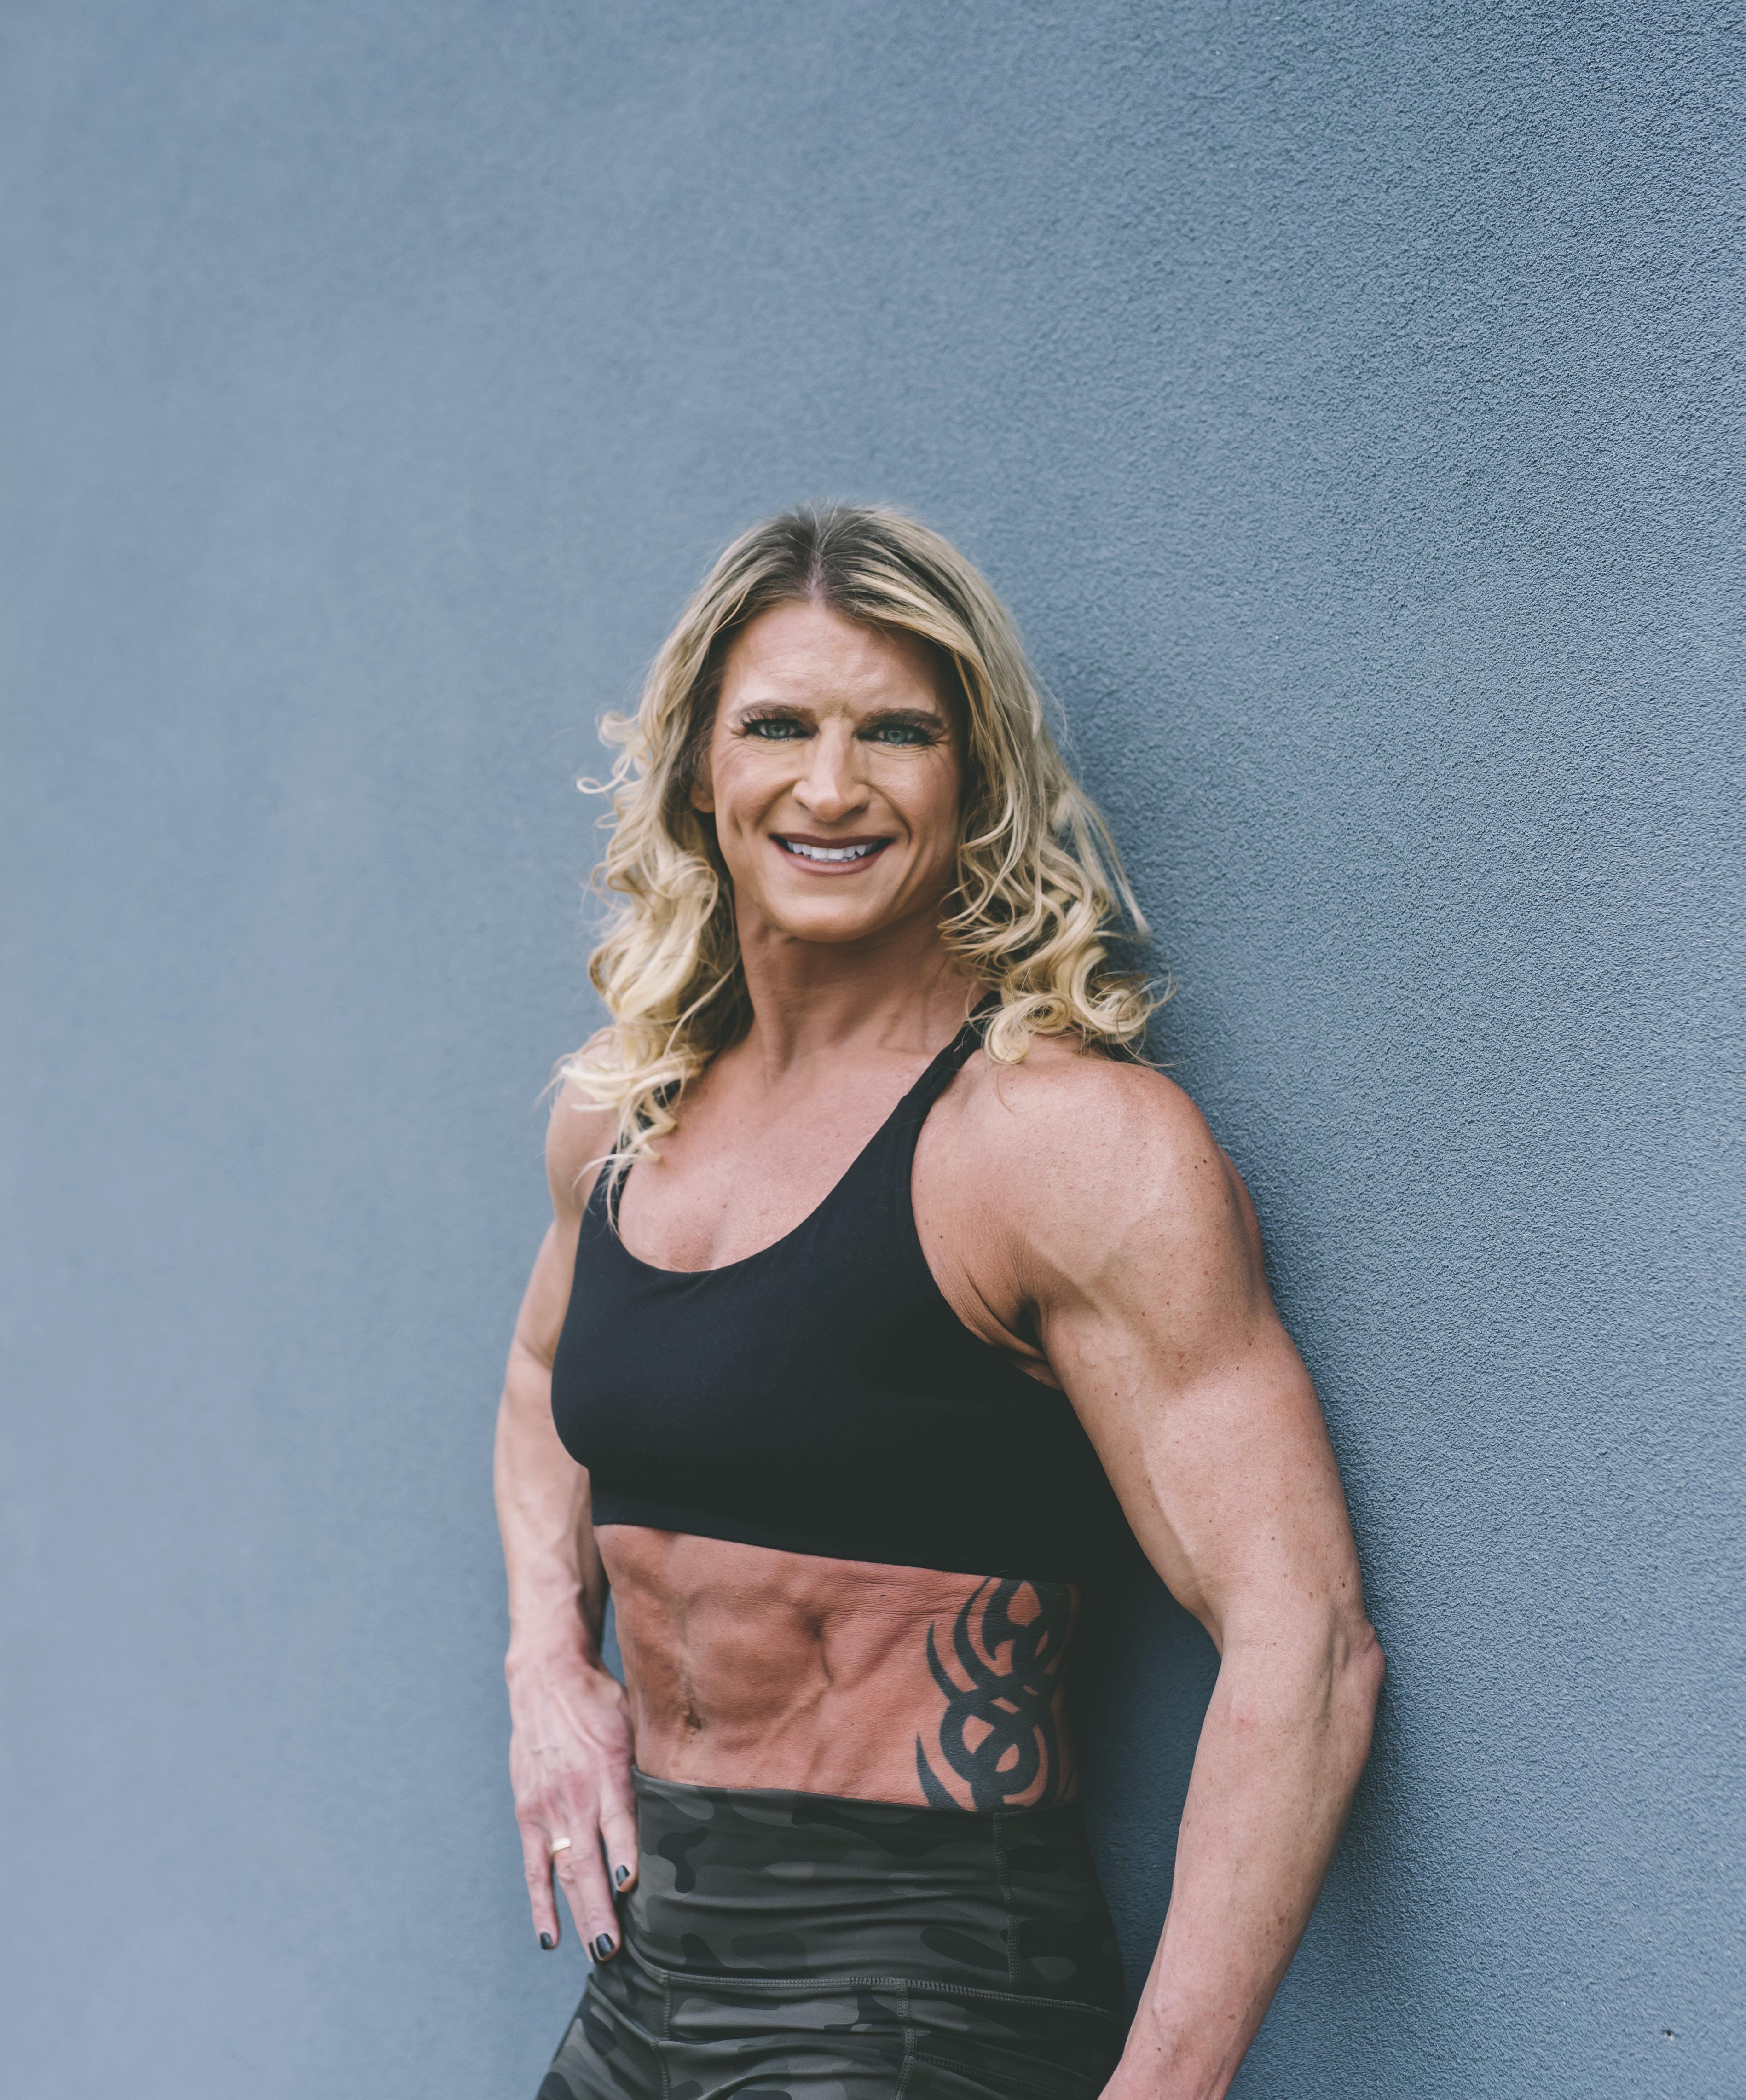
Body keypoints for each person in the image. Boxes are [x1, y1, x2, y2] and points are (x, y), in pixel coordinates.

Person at [494, 505, 1383, 2100]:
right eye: (779, 726)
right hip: (647, 1976)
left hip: (921, 1990)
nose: (830, 787)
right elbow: (538, 1385)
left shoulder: (1057, 1147)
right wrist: (543, 1663)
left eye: (894, 732)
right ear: (697, 768)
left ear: (970, 780)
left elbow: (1303, 1644)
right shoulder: (620, 1121)